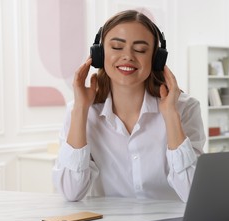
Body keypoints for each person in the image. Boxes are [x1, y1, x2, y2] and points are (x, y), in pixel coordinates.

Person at [52, 10, 206, 202]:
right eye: (117, 47)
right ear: (99, 54)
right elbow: (71, 192)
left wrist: (171, 115)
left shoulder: (185, 109)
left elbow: (193, 192)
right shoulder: (80, 110)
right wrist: (81, 111)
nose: (128, 57)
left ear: (157, 59)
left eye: (140, 50)